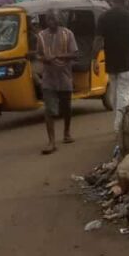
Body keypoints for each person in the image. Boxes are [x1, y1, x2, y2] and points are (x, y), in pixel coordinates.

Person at [94, 0, 129, 133]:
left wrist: (94, 60)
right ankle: (120, 126)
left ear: (113, 0)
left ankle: (117, 123)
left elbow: (98, 40)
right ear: (125, 0)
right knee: (124, 95)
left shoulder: (104, 17)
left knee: (116, 95)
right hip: (126, 63)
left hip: (111, 63)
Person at [37, 10, 79, 154]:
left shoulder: (68, 34)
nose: (51, 21)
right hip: (49, 77)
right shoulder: (41, 36)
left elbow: (75, 54)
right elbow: (39, 55)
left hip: (65, 76)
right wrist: (44, 59)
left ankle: (66, 133)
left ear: (59, 20)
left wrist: (58, 55)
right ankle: (51, 142)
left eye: (54, 19)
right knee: (49, 110)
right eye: (49, 19)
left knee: (66, 108)